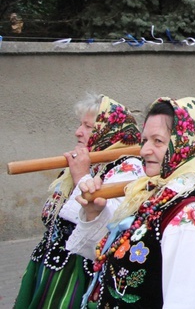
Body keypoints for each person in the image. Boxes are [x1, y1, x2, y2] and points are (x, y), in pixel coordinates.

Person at [71, 97, 195, 308]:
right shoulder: (155, 194)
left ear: (187, 144)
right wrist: (94, 214)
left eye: (158, 141)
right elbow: (116, 258)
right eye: (145, 140)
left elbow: (188, 302)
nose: (144, 151)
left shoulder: (194, 215)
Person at [15, 94, 143, 309]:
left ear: (108, 132)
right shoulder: (90, 160)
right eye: (80, 124)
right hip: (51, 266)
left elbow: (108, 225)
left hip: (81, 274)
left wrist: (81, 177)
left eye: (87, 126)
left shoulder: (129, 167)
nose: (78, 132)